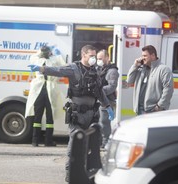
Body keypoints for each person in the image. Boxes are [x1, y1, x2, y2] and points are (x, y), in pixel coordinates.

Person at [28, 45, 114, 182]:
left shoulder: (95, 71)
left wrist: (107, 106)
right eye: (91, 56)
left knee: (89, 148)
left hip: (92, 115)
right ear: (83, 55)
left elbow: (99, 91)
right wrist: (41, 69)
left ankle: (85, 174)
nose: (94, 58)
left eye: (94, 55)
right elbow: (57, 71)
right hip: (77, 115)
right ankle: (70, 176)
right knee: (74, 147)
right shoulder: (74, 68)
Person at [25, 46, 66, 147]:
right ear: (50, 53)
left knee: (37, 116)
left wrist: (41, 51)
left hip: (38, 89)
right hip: (50, 89)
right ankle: (48, 141)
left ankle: (35, 141)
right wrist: (59, 55)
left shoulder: (36, 59)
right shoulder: (54, 60)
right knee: (49, 117)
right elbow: (64, 67)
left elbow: (34, 56)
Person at [127, 45, 174, 115]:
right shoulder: (141, 69)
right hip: (139, 111)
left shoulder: (163, 69)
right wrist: (135, 65)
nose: (142, 58)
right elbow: (129, 81)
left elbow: (168, 90)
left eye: (145, 56)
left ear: (153, 55)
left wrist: (159, 106)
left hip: (154, 111)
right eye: (142, 56)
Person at [96, 49, 119, 148]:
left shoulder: (112, 71)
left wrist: (99, 91)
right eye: (97, 58)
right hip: (99, 100)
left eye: (100, 58)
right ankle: (101, 142)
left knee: (104, 122)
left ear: (107, 58)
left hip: (107, 100)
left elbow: (112, 86)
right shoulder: (101, 69)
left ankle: (106, 143)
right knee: (99, 122)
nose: (98, 60)